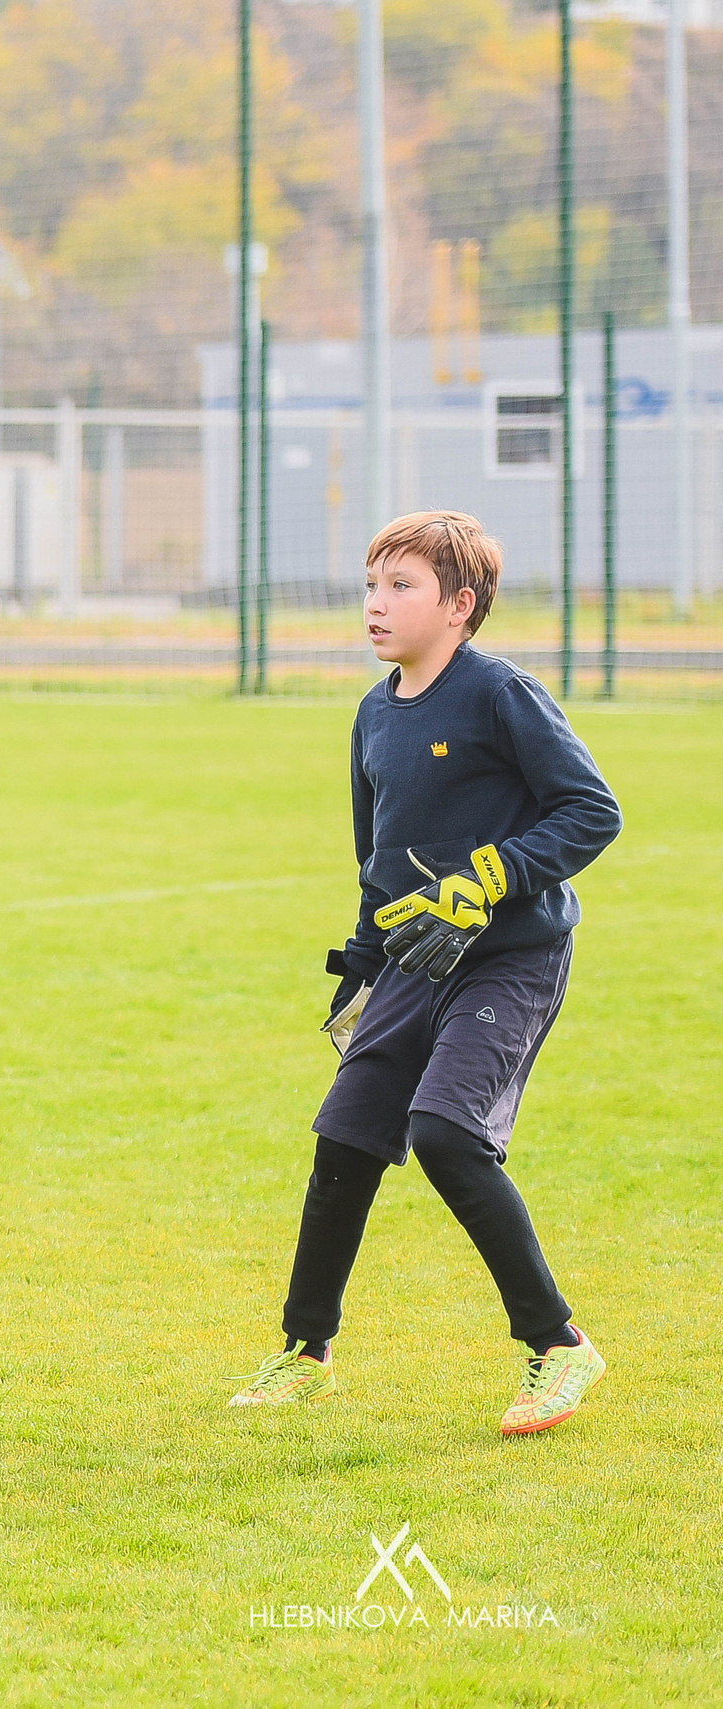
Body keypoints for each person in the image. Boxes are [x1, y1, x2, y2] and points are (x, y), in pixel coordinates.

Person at [231, 511, 621, 1436]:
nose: (375, 604)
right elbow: (380, 858)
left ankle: (559, 1344)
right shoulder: (373, 713)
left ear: (460, 605)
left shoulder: (500, 695)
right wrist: (361, 964)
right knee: (348, 1137)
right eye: (371, 585)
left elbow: (591, 811)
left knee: (446, 1133)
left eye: (401, 587)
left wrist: (493, 875)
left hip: (511, 958)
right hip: (413, 961)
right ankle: (305, 1349)